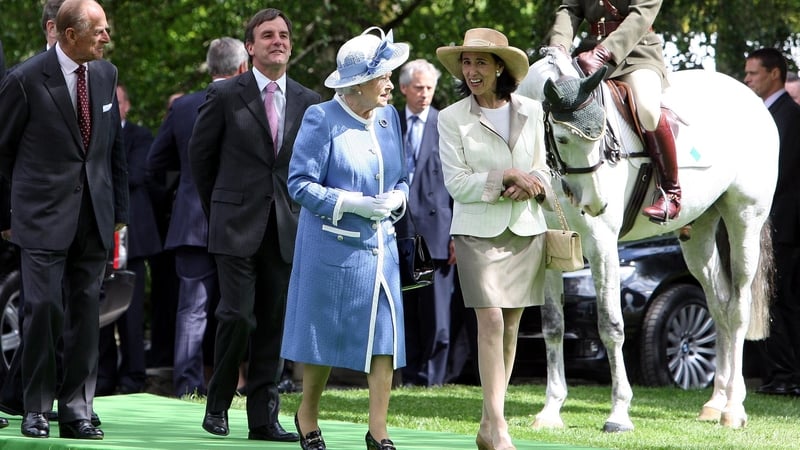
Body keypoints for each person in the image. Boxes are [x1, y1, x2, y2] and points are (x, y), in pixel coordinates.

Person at [189, 8, 320, 442]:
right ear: (250, 47)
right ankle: (219, 403)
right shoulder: (226, 94)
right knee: (238, 316)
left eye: (284, 34)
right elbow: (200, 160)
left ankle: (264, 420)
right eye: (268, 35)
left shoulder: (308, 101)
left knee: (273, 323)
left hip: (286, 227)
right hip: (234, 225)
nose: (278, 41)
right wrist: (221, 211)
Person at [0, 0, 128, 440]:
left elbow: (114, 151)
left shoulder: (107, 76)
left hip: (95, 216)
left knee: (86, 316)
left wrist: (120, 213)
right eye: (98, 31)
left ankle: (77, 412)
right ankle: (35, 408)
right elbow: (3, 153)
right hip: (40, 218)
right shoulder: (25, 79)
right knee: (44, 310)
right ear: (68, 35)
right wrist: (6, 216)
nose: (106, 38)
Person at [281, 26, 409, 450]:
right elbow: (298, 184)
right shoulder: (321, 117)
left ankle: (378, 430)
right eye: (382, 76)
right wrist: (352, 202)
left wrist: (397, 197)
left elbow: (403, 175)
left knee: (385, 339)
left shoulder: (389, 117)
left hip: (381, 249)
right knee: (324, 339)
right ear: (356, 85)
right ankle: (307, 413)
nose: (391, 83)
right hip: (332, 248)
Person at [436, 28, 548, 450]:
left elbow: (545, 168)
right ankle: (499, 427)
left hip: (525, 230)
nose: (471, 71)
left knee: (512, 325)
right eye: (466, 62)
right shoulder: (450, 118)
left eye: (480, 62)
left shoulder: (533, 111)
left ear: (499, 67)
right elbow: (457, 183)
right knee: (492, 320)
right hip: (476, 232)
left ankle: (488, 423)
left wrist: (532, 183)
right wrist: (505, 177)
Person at [148, 36, 249, 398]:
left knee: (191, 311)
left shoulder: (185, 106)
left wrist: (185, 186)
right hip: (240, 222)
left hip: (191, 222)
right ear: (242, 68)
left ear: (209, 67)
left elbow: (155, 163)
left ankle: (187, 386)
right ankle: (231, 384)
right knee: (237, 308)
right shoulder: (252, 103)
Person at [547, 0, 679, 222]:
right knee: (557, 103)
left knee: (648, 111)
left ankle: (671, 192)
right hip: (589, 53)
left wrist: (603, 53)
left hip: (637, 53)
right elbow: (569, 9)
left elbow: (642, 14)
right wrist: (558, 48)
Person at [395, 59, 456, 387]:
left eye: (429, 88)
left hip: (438, 232)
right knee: (406, 310)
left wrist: (456, 234)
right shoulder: (388, 122)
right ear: (404, 88)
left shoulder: (445, 124)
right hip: (398, 231)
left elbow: (459, 182)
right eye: (418, 87)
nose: (425, 94)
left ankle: (432, 379)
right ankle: (407, 377)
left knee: (438, 316)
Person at [743, 48, 800, 397]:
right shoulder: (765, 114)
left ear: (775, 74)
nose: (747, 79)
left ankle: (789, 375)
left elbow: (782, 175)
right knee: (770, 299)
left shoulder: (789, 117)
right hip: (769, 223)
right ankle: (778, 373)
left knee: (782, 300)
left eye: (753, 73)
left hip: (783, 225)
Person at [96, 84, 159, 396]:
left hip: (131, 237)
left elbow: (134, 175)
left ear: (127, 106)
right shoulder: (95, 132)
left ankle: (133, 376)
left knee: (131, 315)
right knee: (101, 310)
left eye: (117, 101)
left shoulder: (140, 137)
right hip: (99, 236)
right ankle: (104, 376)